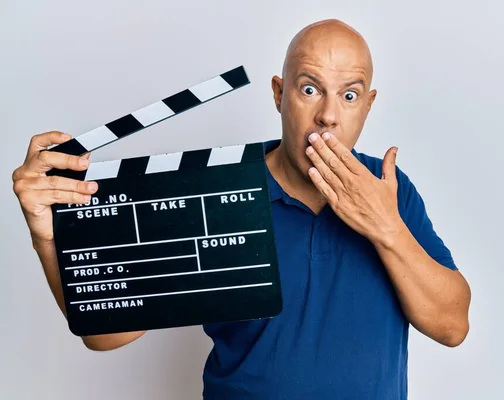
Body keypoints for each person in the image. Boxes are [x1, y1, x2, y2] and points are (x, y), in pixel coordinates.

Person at [12, 18, 471, 399]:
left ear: (368, 105)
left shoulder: (390, 191)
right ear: (279, 93)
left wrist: (386, 228)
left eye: (349, 95)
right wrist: (46, 238)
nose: (329, 115)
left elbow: (452, 326)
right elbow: (104, 333)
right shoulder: (217, 191)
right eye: (310, 89)